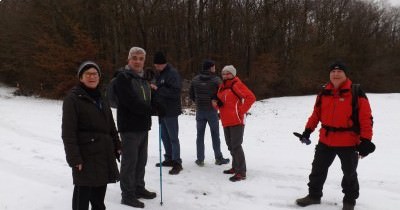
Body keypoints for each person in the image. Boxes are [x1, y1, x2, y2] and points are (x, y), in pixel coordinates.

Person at [295, 61, 375, 210]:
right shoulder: (324, 92)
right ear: (329, 74)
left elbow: (366, 119)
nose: (336, 74)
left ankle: (349, 201)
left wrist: (366, 140)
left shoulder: (356, 92)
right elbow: (316, 114)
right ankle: (314, 195)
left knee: (349, 174)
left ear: (345, 75)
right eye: (333, 71)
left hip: (349, 142)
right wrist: (307, 131)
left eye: (339, 72)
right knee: (317, 170)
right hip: (325, 140)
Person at [61, 61, 121, 210]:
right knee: (82, 197)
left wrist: (117, 144)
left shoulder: (102, 96)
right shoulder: (73, 99)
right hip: (85, 156)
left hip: (103, 153)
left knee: (99, 196)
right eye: (87, 74)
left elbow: (110, 125)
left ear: (99, 77)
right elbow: (68, 133)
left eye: (95, 74)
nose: (92, 77)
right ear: (81, 78)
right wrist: (74, 158)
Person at [114, 47, 156, 208]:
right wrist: (151, 110)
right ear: (128, 60)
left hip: (143, 126)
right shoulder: (122, 78)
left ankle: (138, 187)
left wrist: (157, 104)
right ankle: (127, 194)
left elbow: (147, 99)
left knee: (141, 161)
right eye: (135, 58)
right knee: (129, 162)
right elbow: (130, 101)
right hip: (129, 127)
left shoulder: (143, 78)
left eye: (141, 59)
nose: (138, 61)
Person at [212, 65, 256, 182]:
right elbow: (222, 100)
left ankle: (241, 172)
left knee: (236, 145)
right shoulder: (222, 86)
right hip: (226, 120)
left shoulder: (237, 84)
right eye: (224, 74)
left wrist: (241, 111)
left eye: (228, 73)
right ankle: (235, 167)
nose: (226, 75)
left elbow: (251, 97)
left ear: (233, 74)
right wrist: (217, 103)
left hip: (237, 120)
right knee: (230, 145)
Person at [189, 59, 230, 166]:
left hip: (200, 111)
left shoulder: (195, 80)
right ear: (211, 67)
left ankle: (200, 159)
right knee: (215, 135)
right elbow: (223, 95)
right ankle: (218, 158)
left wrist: (198, 102)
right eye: (214, 67)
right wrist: (217, 104)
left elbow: (191, 95)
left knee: (200, 135)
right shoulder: (216, 80)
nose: (215, 68)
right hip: (212, 111)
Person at [151, 51, 183, 175]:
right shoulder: (160, 74)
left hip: (171, 110)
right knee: (164, 136)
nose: (157, 67)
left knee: (173, 137)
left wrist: (158, 89)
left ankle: (177, 162)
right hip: (162, 110)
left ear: (163, 63)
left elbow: (175, 91)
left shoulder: (172, 74)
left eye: (158, 65)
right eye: (155, 65)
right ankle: (168, 158)